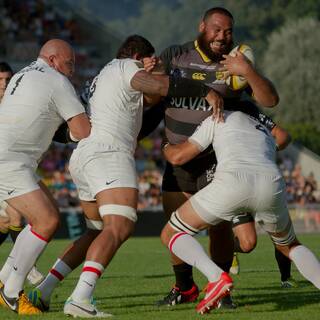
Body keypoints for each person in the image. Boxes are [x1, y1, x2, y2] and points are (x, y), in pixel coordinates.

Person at [53, 34, 224, 318]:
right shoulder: (126, 67)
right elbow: (157, 86)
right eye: (149, 61)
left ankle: (44, 289)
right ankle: (80, 298)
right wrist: (202, 89)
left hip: (84, 156)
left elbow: (149, 101)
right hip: (109, 153)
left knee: (95, 231)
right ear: (138, 58)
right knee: (119, 228)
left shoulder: (100, 77)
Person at [141, 7, 292, 307]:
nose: (222, 36)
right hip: (180, 156)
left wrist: (248, 70)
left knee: (219, 229)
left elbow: (270, 100)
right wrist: (152, 71)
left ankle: (222, 289)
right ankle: (184, 287)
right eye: (217, 29)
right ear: (202, 27)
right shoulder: (176, 55)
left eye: (228, 31)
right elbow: (151, 96)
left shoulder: (235, 63)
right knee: (174, 225)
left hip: (217, 160)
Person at [161, 110, 320, 314]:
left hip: (233, 181)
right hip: (270, 182)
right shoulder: (261, 126)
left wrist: (166, 145)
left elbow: (179, 156)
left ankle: (216, 278)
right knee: (289, 246)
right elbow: (282, 138)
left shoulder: (217, 117)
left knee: (170, 233)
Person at [0, 39, 91, 315]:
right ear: (52, 60)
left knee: (46, 214)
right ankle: (12, 292)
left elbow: (41, 118)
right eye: (69, 63)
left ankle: (5, 280)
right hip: (10, 160)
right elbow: (83, 130)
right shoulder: (56, 80)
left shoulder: (24, 73)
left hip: (15, 158)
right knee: (47, 220)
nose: (72, 71)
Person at [0, 61, 45, 286]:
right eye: (0, 80)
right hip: (4, 168)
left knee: (9, 220)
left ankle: (23, 268)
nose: (4, 84)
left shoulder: (16, 103)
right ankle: (26, 269)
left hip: (11, 167)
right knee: (13, 218)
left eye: (7, 79)